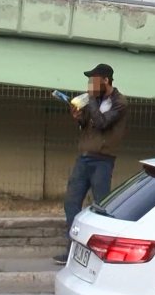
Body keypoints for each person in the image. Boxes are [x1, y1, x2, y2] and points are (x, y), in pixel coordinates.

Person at [54, 63, 129, 264]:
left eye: (94, 80)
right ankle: (72, 249)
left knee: (100, 206)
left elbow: (103, 123)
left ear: (105, 81)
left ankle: (99, 252)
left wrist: (93, 101)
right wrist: (78, 117)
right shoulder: (92, 100)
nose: (90, 84)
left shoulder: (120, 102)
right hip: (84, 156)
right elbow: (89, 124)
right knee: (71, 201)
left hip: (102, 160)